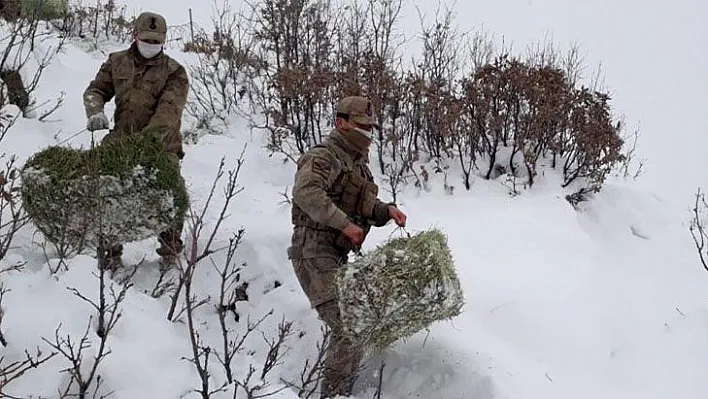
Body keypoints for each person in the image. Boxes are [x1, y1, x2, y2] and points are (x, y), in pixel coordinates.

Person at [287, 96, 407, 398]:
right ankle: (334, 394)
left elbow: (365, 206)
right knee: (348, 325)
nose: (368, 133)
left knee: (358, 322)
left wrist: (386, 211)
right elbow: (307, 193)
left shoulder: (358, 166)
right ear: (341, 122)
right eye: (361, 126)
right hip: (314, 250)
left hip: (337, 254)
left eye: (370, 127)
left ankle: (342, 390)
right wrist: (344, 224)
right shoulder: (325, 157)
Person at [82, 11, 189, 268]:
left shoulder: (175, 72)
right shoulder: (117, 62)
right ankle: (109, 253)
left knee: (171, 193)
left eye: (156, 42)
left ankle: (170, 251)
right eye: (147, 40)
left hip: (161, 144)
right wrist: (95, 111)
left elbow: (169, 112)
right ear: (135, 35)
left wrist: (145, 143)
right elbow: (96, 90)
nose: (151, 46)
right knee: (106, 190)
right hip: (121, 140)